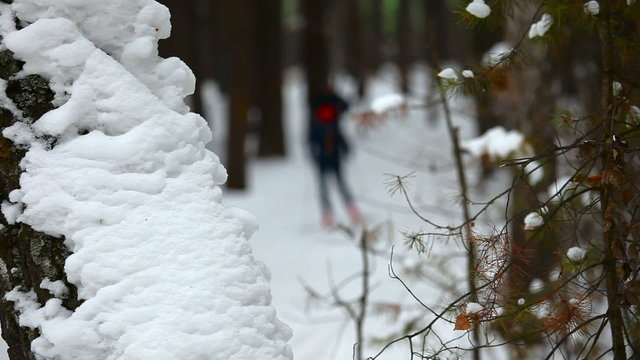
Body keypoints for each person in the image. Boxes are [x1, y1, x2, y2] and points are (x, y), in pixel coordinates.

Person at [308, 89, 362, 227]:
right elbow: (343, 143)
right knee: (339, 185)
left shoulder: (317, 126)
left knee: (326, 187)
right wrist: (346, 151)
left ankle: (328, 214)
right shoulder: (333, 126)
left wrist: (314, 156)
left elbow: (312, 143)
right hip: (333, 159)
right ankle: (350, 211)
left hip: (324, 160)